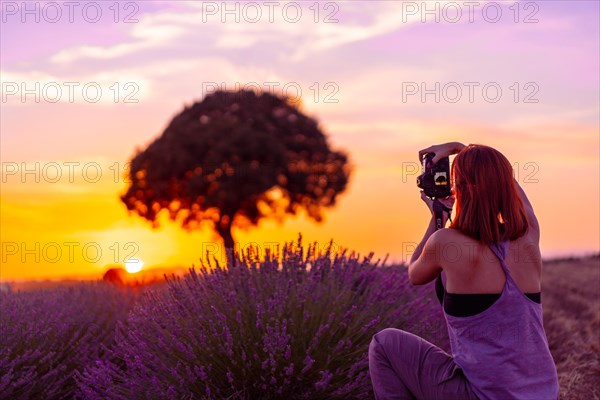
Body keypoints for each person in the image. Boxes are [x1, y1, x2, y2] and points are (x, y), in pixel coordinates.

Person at [368, 142, 559, 400]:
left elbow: (415, 273)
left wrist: (439, 218)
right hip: (544, 393)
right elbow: (509, 185)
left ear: (459, 188)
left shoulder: (445, 242)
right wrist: (464, 148)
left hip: (484, 395)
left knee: (384, 343)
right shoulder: (528, 235)